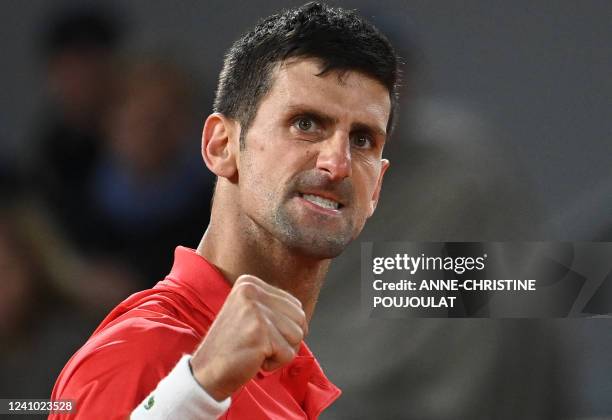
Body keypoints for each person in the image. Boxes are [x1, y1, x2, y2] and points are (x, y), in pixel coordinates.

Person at [50, 2, 399, 419]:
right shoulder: (143, 354)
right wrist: (195, 389)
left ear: (376, 185)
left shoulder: (287, 378)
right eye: (305, 123)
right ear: (222, 146)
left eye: (362, 140)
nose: (337, 163)